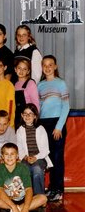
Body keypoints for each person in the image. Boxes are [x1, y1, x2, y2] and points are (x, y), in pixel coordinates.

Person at [38, 55, 69, 202]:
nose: (48, 67)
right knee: (48, 158)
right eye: (45, 65)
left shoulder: (61, 83)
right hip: (44, 124)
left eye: (51, 64)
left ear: (55, 66)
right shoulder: (40, 85)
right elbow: (38, 107)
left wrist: (59, 127)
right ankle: (51, 187)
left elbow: (66, 106)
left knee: (57, 158)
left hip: (57, 124)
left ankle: (58, 189)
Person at [0, 143, 47, 212]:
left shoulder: (23, 168)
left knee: (43, 198)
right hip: (7, 201)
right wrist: (13, 207)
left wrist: (25, 208)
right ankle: (19, 210)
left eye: (12, 154)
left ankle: (15, 211)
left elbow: (29, 189)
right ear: (2, 156)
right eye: (6, 154)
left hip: (24, 200)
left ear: (17, 156)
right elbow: (0, 191)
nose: (9, 157)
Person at [16, 104, 53, 195]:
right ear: (22, 115)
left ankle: (39, 197)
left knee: (36, 170)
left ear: (35, 116)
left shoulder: (41, 129)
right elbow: (19, 148)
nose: (27, 116)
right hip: (25, 158)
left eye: (30, 114)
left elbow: (45, 150)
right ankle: (26, 197)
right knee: (24, 170)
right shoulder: (19, 130)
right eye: (25, 114)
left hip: (40, 158)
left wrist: (36, 157)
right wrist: (26, 157)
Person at [14, 56, 40, 129]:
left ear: (28, 71)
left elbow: (36, 104)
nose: (21, 71)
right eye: (19, 68)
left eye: (24, 69)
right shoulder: (15, 84)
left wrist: (33, 120)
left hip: (28, 119)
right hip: (17, 118)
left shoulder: (30, 83)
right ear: (15, 69)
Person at [0, 58, 15, 128]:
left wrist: (9, 124)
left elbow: (11, 107)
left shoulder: (9, 85)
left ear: (5, 67)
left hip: (4, 125)